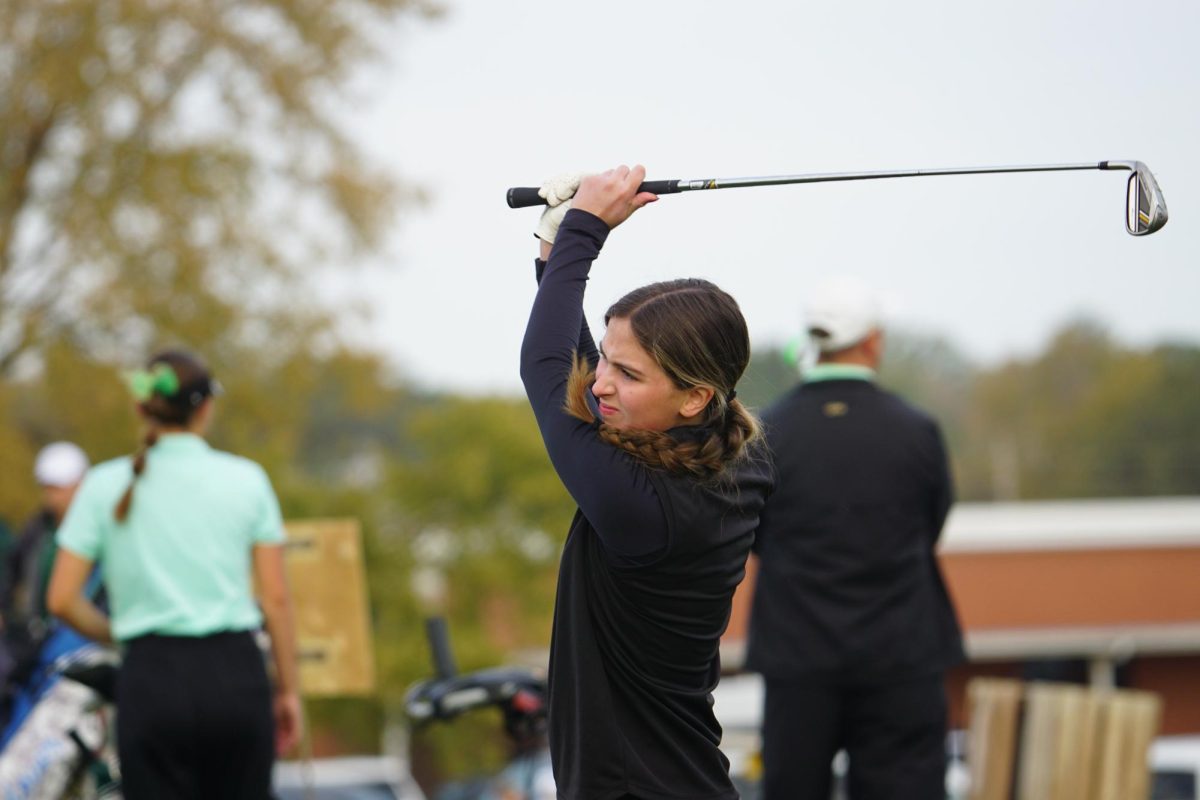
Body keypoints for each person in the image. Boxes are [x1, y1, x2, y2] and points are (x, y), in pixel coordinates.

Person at [521, 165, 773, 800]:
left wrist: (583, 231)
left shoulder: (645, 506)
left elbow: (547, 368)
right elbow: (574, 369)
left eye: (628, 374)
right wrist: (556, 249)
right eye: (607, 356)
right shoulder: (733, 458)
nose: (601, 382)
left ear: (694, 397)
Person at [45, 350, 302, 799]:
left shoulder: (104, 485)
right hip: (235, 677)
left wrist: (119, 634)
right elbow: (276, 600)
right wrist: (288, 692)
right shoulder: (247, 480)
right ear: (206, 407)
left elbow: (61, 599)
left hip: (151, 677)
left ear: (141, 408)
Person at [746, 276, 965, 800]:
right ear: (872, 341)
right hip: (901, 653)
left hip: (797, 656)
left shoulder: (767, 432)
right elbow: (931, 523)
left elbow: (754, 533)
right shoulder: (917, 430)